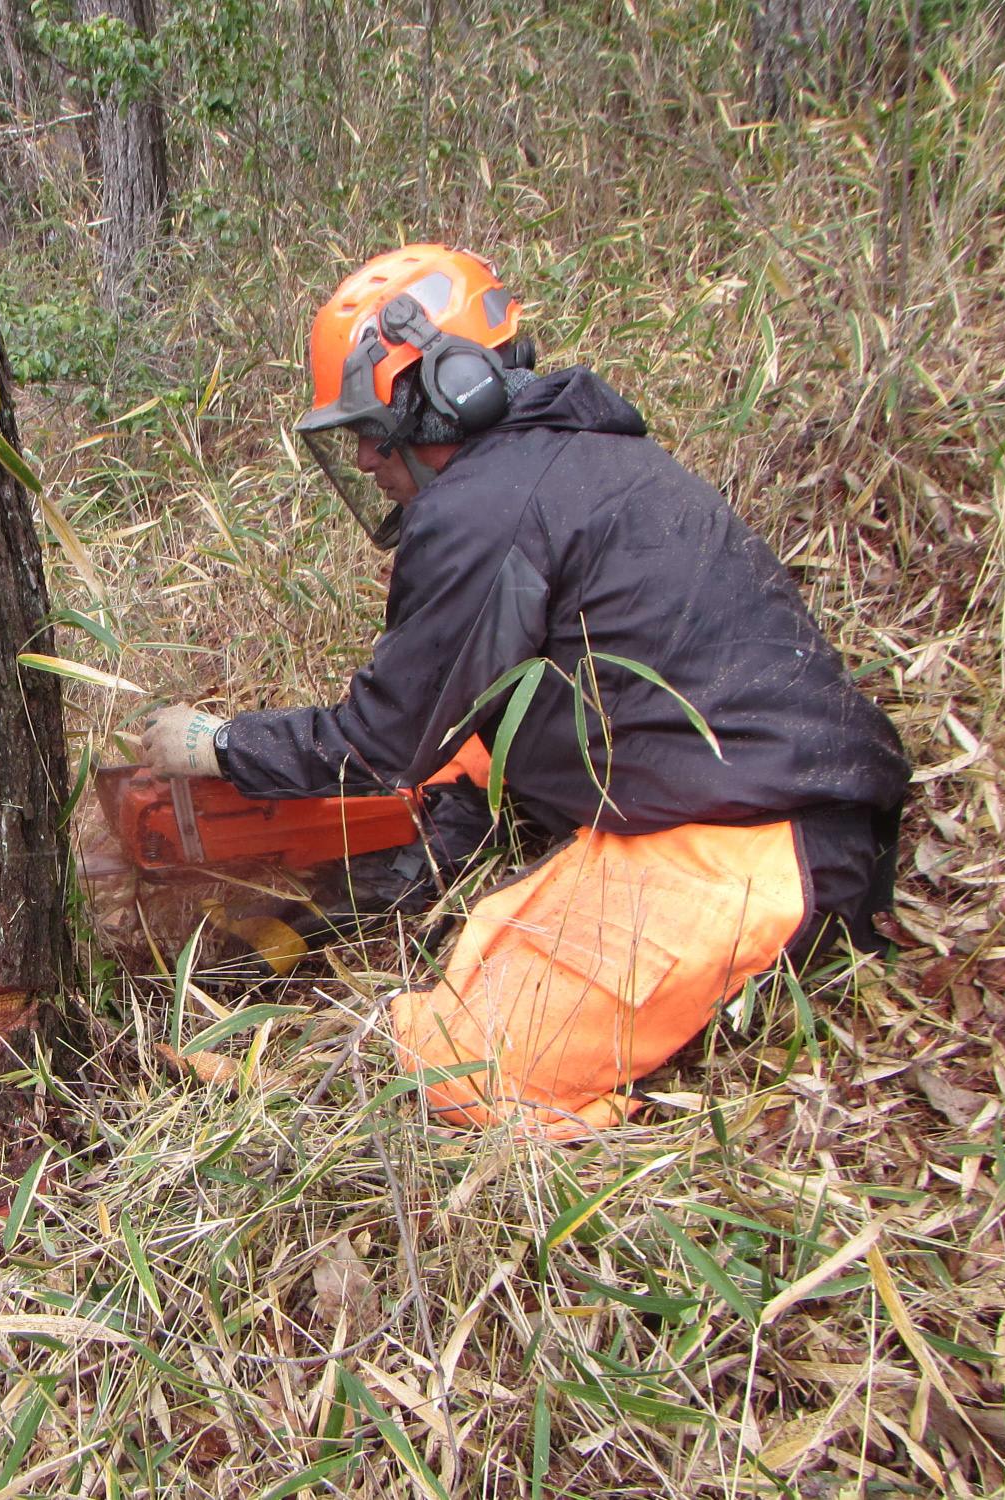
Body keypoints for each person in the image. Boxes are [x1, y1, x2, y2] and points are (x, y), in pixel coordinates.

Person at [138, 245, 908, 1137]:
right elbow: (460, 716)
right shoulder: (570, 461)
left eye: (368, 426)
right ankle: (404, 873)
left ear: (444, 390)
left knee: (464, 1067)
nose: (361, 456)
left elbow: (379, 741)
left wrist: (220, 746)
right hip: (751, 784)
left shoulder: (486, 506)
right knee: (458, 764)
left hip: (759, 845)